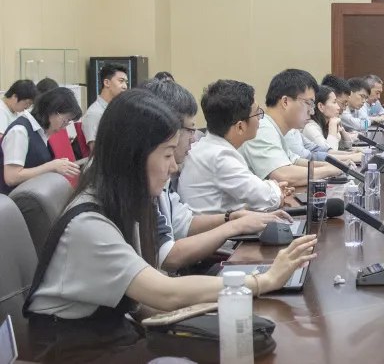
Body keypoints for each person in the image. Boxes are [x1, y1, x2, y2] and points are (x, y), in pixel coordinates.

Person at [23, 88, 316, 363]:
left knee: (239, 341)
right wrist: (262, 281)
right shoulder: (89, 223)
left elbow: (153, 297)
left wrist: (205, 310)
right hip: (75, 351)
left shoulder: (122, 202)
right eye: (166, 155)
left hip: (112, 331)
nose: (173, 167)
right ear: (133, 157)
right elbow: (164, 292)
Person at [139, 79, 293, 272]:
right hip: (198, 262)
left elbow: (182, 224)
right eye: (190, 130)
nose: (193, 140)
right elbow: (167, 259)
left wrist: (231, 217)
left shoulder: (162, 177)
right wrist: (235, 225)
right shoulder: (217, 155)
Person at [179, 79, 297, 214]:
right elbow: (266, 197)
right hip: (220, 227)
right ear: (240, 127)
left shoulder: (208, 147)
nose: (260, 118)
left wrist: (271, 189)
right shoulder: (220, 156)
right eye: (257, 113)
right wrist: (275, 190)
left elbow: (255, 192)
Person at [240, 69, 343, 187]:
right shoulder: (263, 128)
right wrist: (329, 170)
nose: (312, 111)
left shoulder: (277, 129)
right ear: (285, 102)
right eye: (308, 103)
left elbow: (295, 162)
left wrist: (334, 165)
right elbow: (283, 175)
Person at [1, 87, 82, 195]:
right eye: (65, 121)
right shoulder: (20, 131)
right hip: (13, 200)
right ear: (52, 112)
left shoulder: (41, 132)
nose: (64, 127)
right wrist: (51, 166)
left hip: (32, 195)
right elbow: (11, 177)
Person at [83, 63, 129, 153]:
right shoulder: (94, 113)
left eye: (126, 82)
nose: (125, 86)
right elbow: (96, 153)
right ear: (107, 83)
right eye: (121, 81)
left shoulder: (117, 110)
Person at [301, 85, 353, 151]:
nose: (338, 107)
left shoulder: (327, 124)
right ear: (320, 106)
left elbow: (348, 146)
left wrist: (342, 130)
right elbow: (331, 153)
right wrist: (332, 127)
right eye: (334, 102)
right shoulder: (310, 128)